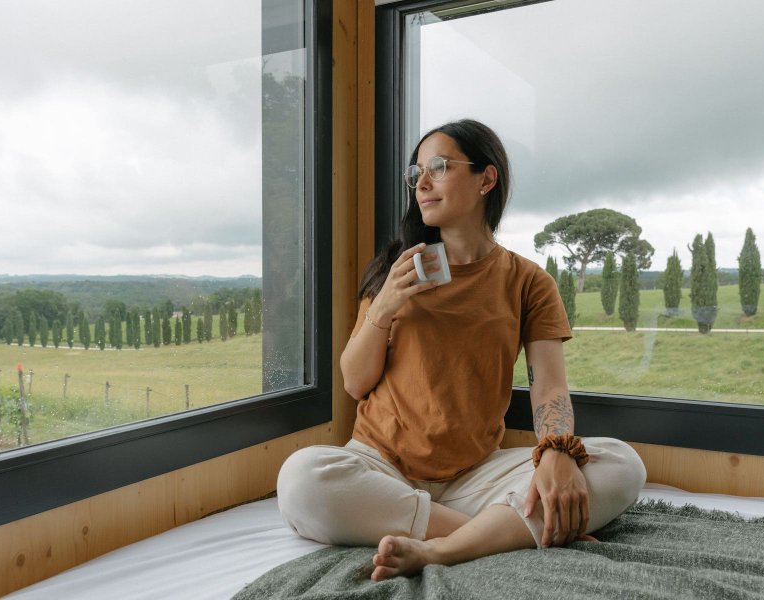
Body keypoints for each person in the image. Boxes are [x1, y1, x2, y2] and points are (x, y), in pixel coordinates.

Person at [277, 119, 646, 581]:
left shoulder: (528, 281)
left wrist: (556, 452)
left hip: (477, 475)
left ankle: (443, 549)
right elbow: (355, 382)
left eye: (439, 167)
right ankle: (487, 536)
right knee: (302, 479)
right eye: (416, 174)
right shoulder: (398, 269)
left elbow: (549, 385)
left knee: (622, 465)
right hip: (380, 466)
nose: (422, 184)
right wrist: (386, 304)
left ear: (486, 179)